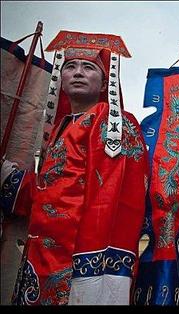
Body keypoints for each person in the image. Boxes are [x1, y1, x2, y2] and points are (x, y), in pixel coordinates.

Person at [0, 30, 148, 305]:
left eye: (89, 67)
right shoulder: (58, 128)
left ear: (105, 80)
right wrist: (9, 177)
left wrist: (93, 267)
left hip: (79, 261)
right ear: (60, 77)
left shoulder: (112, 121)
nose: (78, 72)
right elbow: (47, 189)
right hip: (40, 255)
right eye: (70, 66)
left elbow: (114, 199)